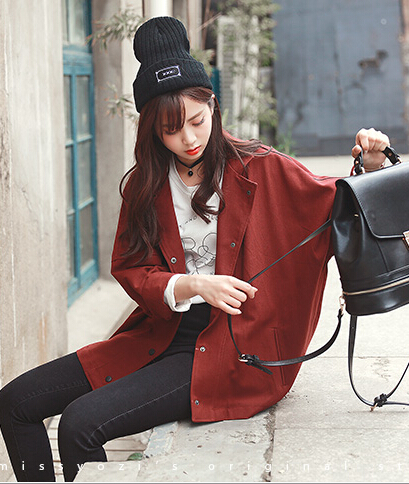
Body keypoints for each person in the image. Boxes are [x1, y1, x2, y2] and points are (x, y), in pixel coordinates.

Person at [0, 16, 391, 482]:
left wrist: (370, 165)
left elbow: (339, 205)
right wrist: (191, 285)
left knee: (80, 425)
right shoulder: (145, 186)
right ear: (152, 130)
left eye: (197, 121)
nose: (188, 139)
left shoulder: (260, 168)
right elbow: (131, 267)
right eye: (171, 129)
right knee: (15, 403)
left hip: (233, 348)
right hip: (161, 333)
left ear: (212, 106)